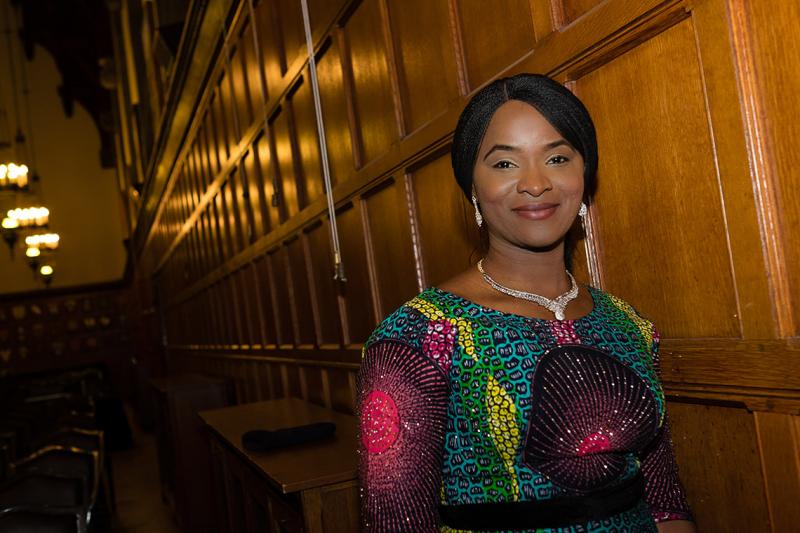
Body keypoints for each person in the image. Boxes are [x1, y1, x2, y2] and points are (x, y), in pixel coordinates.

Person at [357, 73, 695, 532]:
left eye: (557, 157)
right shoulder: (419, 337)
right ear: (471, 187)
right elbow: (395, 522)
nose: (536, 184)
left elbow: (665, 501)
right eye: (504, 164)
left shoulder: (630, 324)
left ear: (584, 175)